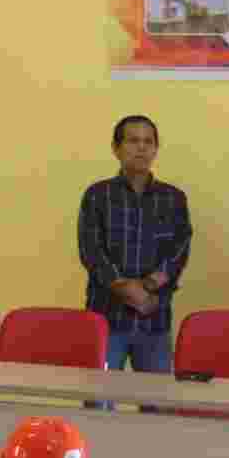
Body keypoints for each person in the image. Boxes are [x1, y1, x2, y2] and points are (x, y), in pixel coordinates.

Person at [76, 114, 193, 371]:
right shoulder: (98, 195)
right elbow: (91, 250)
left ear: (155, 149)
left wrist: (149, 286)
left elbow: (180, 250)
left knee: (156, 395)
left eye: (148, 142)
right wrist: (125, 287)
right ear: (116, 148)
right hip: (106, 318)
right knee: (98, 393)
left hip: (154, 318)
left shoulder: (173, 199)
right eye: (133, 141)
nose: (141, 147)